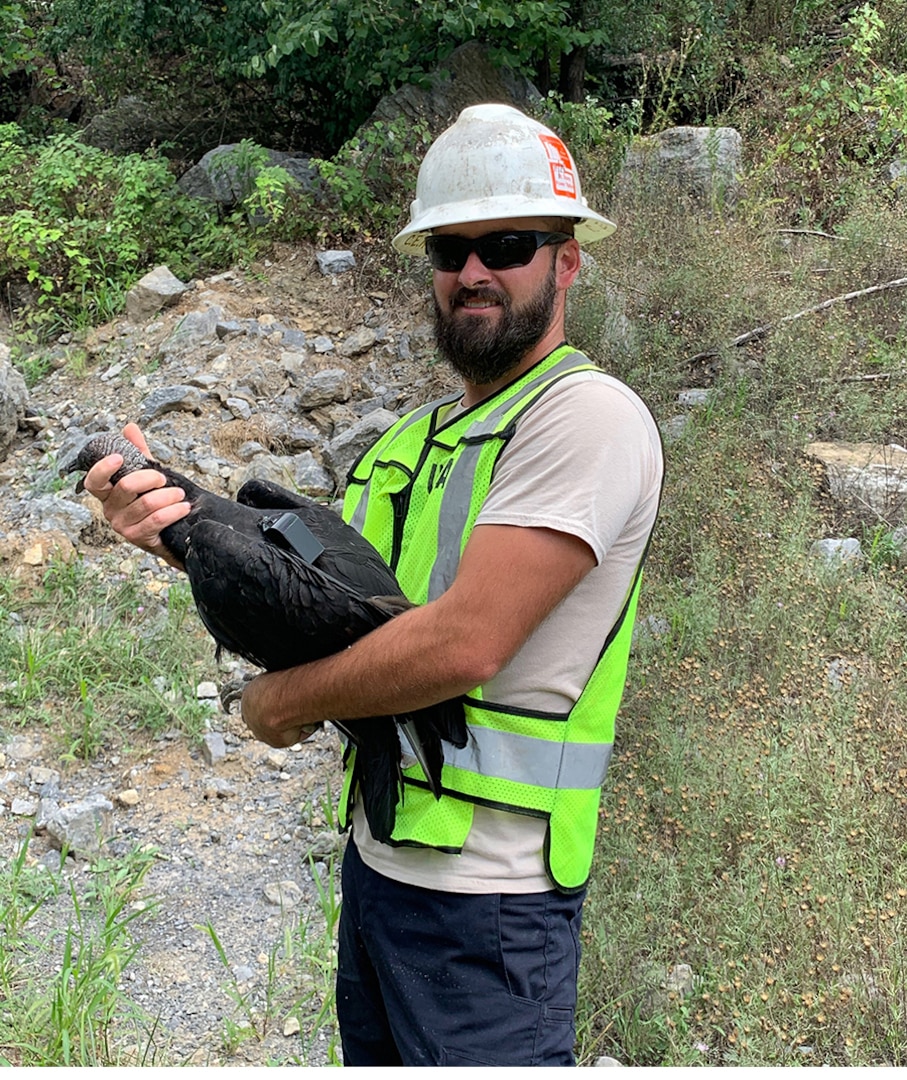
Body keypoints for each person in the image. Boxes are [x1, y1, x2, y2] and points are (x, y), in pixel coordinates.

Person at [84, 103, 664, 1067]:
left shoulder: (585, 418)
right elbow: (334, 618)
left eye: (508, 243)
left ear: (565, 261)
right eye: (449, 247)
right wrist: (180, 534)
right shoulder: (411, 439)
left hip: (494, 905)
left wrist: (274, 705)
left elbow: (461, 644)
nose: (473, 271)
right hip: (384, 865)